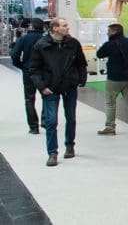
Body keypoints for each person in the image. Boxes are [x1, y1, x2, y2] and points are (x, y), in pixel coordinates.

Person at [27, 17, 87, 167]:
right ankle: (52, 153)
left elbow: (81, 63)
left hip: (69, 86)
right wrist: (42, 87)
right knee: (51, 121)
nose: (67, 28)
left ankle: (69, 145)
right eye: (64, 25)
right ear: (55, 28)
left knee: (71, 117)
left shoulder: (73, 44)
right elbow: (33, 69)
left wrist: (81, 79)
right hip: (50, 88)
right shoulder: (41, 45)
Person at [96, 23, 128, 137]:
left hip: (113, 78)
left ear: (114, 31)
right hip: (127, 77)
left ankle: (110, 127)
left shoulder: (109, 44)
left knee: (110, 103)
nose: (107, 33)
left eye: (109, 31)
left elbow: (99, 54)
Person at [11, 18, 45, 134]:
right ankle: (45, 120)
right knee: (47, 96)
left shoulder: (24, 39)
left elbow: (14, 54)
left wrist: (21, 66)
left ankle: (33, 127)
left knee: (29, 99)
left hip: (28, 71)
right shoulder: (46, 39)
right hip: (43, 73)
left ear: (32, 27)